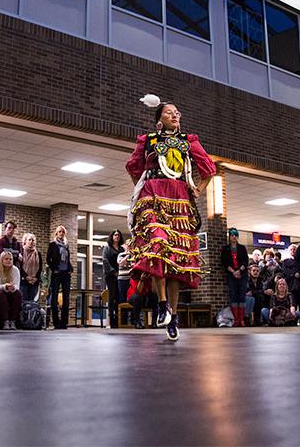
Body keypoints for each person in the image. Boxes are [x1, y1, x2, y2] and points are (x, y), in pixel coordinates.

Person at [125, 98, 216, 341]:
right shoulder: (148, 140)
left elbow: (208, 168)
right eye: (169, 113)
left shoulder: (189, 141)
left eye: (177, 112)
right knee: (157, 246)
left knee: (177, 260)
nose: (175, 116)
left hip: (179, 199)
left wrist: (199, 188)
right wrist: (144, 189)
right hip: (153, 196)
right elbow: (133, 167)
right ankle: (162, 304)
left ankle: (172, 315)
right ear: (159, 120)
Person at [222, 228, 250, 328]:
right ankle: (236, 319)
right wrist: (233, 272)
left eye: (235, 235)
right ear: (229, 237)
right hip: (231, 274)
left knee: (241, 296)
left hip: (242, 274)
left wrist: (239, 271)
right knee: (233, 295)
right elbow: (224, 263)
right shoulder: (225, 249)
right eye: (232, 235)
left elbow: (246, 262)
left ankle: (242, 319)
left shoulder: (242, 248)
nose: (234, 237)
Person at [47, 225, 72, 329]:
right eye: (59, 232)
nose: (61, 233)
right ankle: (56, 322)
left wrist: (70, 269)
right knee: (54, 298)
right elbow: (48, 260)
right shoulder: (52, 245)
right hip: (57, 274)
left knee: (66, 298)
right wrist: (54, 269)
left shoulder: (66, 245)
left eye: (63, 232)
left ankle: (64, 322)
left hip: (66, 274)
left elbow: (67, 260)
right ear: (56, 233)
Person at [0, 251, 22, 330]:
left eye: (11, 259)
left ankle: (13, 321)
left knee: (18, 294)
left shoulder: (15, 270)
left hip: (10, 292)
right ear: (1, 260)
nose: (9, 261)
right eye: (6, 259)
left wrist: (12, 288)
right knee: (1, 294)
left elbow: (17, 286)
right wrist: (5, 286)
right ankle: (6, 321)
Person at [102, 230, 125, 329]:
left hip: (121, 276)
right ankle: (112, 321)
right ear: (112, 236)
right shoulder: (107, 248)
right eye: (115, 235)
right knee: (112, 297)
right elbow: (105, 261)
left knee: (118, 297)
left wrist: (120, 273)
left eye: (118, 235)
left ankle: (118, 321)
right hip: (110, 276)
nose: (117, 237)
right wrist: (113, 272)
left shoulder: (121, 249)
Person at [281, 244, 300, 317]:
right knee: (291, 302)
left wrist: (299, 274)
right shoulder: (285, 261)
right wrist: (294, 274)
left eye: (294, 249)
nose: (293, 251)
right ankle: (291, 318)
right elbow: (285, 271)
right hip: (290, 284)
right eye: (291, 249)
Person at [18, 233, 43, 303]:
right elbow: (19, 266)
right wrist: (26, 277)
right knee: (23, 302)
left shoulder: (38, 253)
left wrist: (36, 278)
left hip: (34, 281)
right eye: (30, 240)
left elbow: (40, 267)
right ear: (25, 241)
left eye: (33, 240)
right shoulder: (21, 252)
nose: (31, 241)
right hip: (23, 281)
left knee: (32, 302)